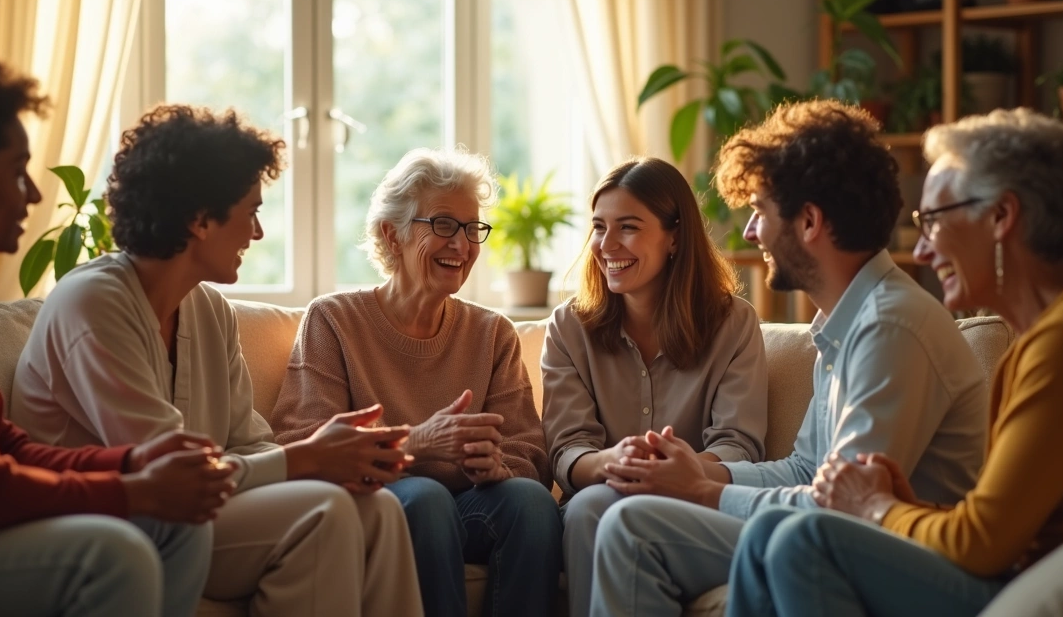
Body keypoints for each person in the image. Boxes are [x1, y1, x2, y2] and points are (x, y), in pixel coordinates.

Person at [10, 104, 422, 617]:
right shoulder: (93, 303)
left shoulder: (209, 310)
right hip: (121, 520)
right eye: (251, 211)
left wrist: (330, 461)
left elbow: (247, 442)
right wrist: (309, 458)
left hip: (199, 513)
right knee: (324, 509)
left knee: (379, 508)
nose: (258, 233)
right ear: (199, 219)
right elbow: (171, 472)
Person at [587, 99, 990, 616]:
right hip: (836, 537)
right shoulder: (843, 324)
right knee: (629, 524)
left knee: (635, 530)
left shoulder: (892, 326)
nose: (752, 233)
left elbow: (841, 513)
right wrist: (704, 474)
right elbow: (808, 467)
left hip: (900, 560)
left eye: (759, 212)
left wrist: (705, 491)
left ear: (808, 222)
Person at [0, 44, 229, 617]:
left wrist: (133, 463)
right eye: (17, 173)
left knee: (181, 524)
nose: (34, 195)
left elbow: (1, 443)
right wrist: (135, 491)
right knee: (115, 555)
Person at [726, 108, 1063, 617]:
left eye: (934, 220)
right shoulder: (1032, 345)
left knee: (805, 539)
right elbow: (997, 525)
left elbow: (984, 542)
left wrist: (877, 507)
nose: (921, 248)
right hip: (1006, 575)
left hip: (1020, 586)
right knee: (772, 531)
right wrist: (905, 508)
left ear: (1002, 216)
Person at [269, 147, 562, 617]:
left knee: (529, 502)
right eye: (443, 224)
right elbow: (301, 442)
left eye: (471, 229)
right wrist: (413, 445)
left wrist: (497, 465)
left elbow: (529, 451)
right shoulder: (334, 320)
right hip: (378, 508)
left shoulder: (492, 334)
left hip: (469, 507)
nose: (462, 245)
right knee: (424, 499)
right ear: (393, 234)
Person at [541, 156, 767, 616]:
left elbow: (738, 446)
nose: (606, 245)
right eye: (599, 227)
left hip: (693, 500)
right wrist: (615, 463)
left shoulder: (733, 323)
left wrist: (672, 470)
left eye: (628, 227)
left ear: (675, 237)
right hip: (598, 492)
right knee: (588, 510)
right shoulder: (569, 326)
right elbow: (566, 450)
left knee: (602, 511)